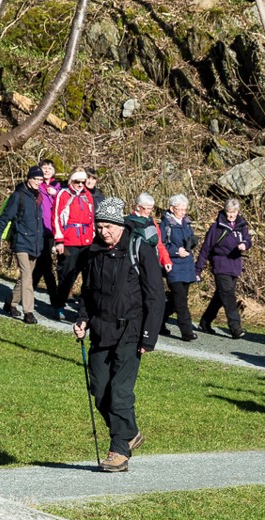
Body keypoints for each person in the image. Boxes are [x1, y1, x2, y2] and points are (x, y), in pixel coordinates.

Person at [73, 196, 165, 472]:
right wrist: (82, 319)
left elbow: (155, 296)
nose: (104, 232)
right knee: (100, 390)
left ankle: (119, 450)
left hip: (131, 331)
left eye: (108, 227)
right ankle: (130, 432)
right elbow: (88, 292)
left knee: (120, 392)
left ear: (120, 225)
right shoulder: (94, 252)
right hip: (100, 330)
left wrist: (148, 336)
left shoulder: (139, 249)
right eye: (99, 227)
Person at [0, 165, 46, 322]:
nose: (38, 182)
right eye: (35, 179)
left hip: (35, 242)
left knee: (25, 277)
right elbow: (5, 217)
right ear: (28, 178)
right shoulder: (18, 195)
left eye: (40, 180)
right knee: (27, 276)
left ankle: (11, 302)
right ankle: (28, 312)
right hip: (21, 241)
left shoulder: (39, 196)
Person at [195, 198, 252, 339]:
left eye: (234, 212)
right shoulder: (216, 227)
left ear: (238, 212)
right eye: (229, 212)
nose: (231, 215)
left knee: (220, 296)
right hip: (220, 265)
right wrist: (198, 270)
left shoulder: (241, 225)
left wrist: (245, 244)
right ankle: (235, 328)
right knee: (229, 297)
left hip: (235, 266)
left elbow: (247, 239)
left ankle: (205, 321)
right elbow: (205, 249)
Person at [50, 168, 95, 317]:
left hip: (86, 242)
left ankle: (83, 308)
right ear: (71, 181)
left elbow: (91, 219)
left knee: (88, 277)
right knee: (67, 275)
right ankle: (59, 305)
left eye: (83, 182)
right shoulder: (63, 194)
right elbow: (56, 218)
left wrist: (93, 238)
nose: (80, 185)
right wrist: (59, 241)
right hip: (69, 241)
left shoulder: (87, 196)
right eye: (77, 182)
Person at [160, 195, 198, 341]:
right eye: (180, 209)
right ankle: (187, 332)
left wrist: (192, 243)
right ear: (172, 209)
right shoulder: (166, 224)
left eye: (185, 209)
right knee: (181, 301)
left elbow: (190, 239)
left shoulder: (187, 223)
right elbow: (161, 245)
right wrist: (176, 251)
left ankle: (158, 321)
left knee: (177, 301)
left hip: (187, 266)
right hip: (173, 267)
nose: (183, 212)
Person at [32, 161, 62, 301]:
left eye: (50, 168)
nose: (47, 170)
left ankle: (24, 293)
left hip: (51, 230)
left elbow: (64, 205)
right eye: (44, 167)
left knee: (43, 264)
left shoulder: (59, 187)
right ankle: (55, 300)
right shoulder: (36, 185)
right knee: (43, 264)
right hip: (37, 229)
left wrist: (55, 194)